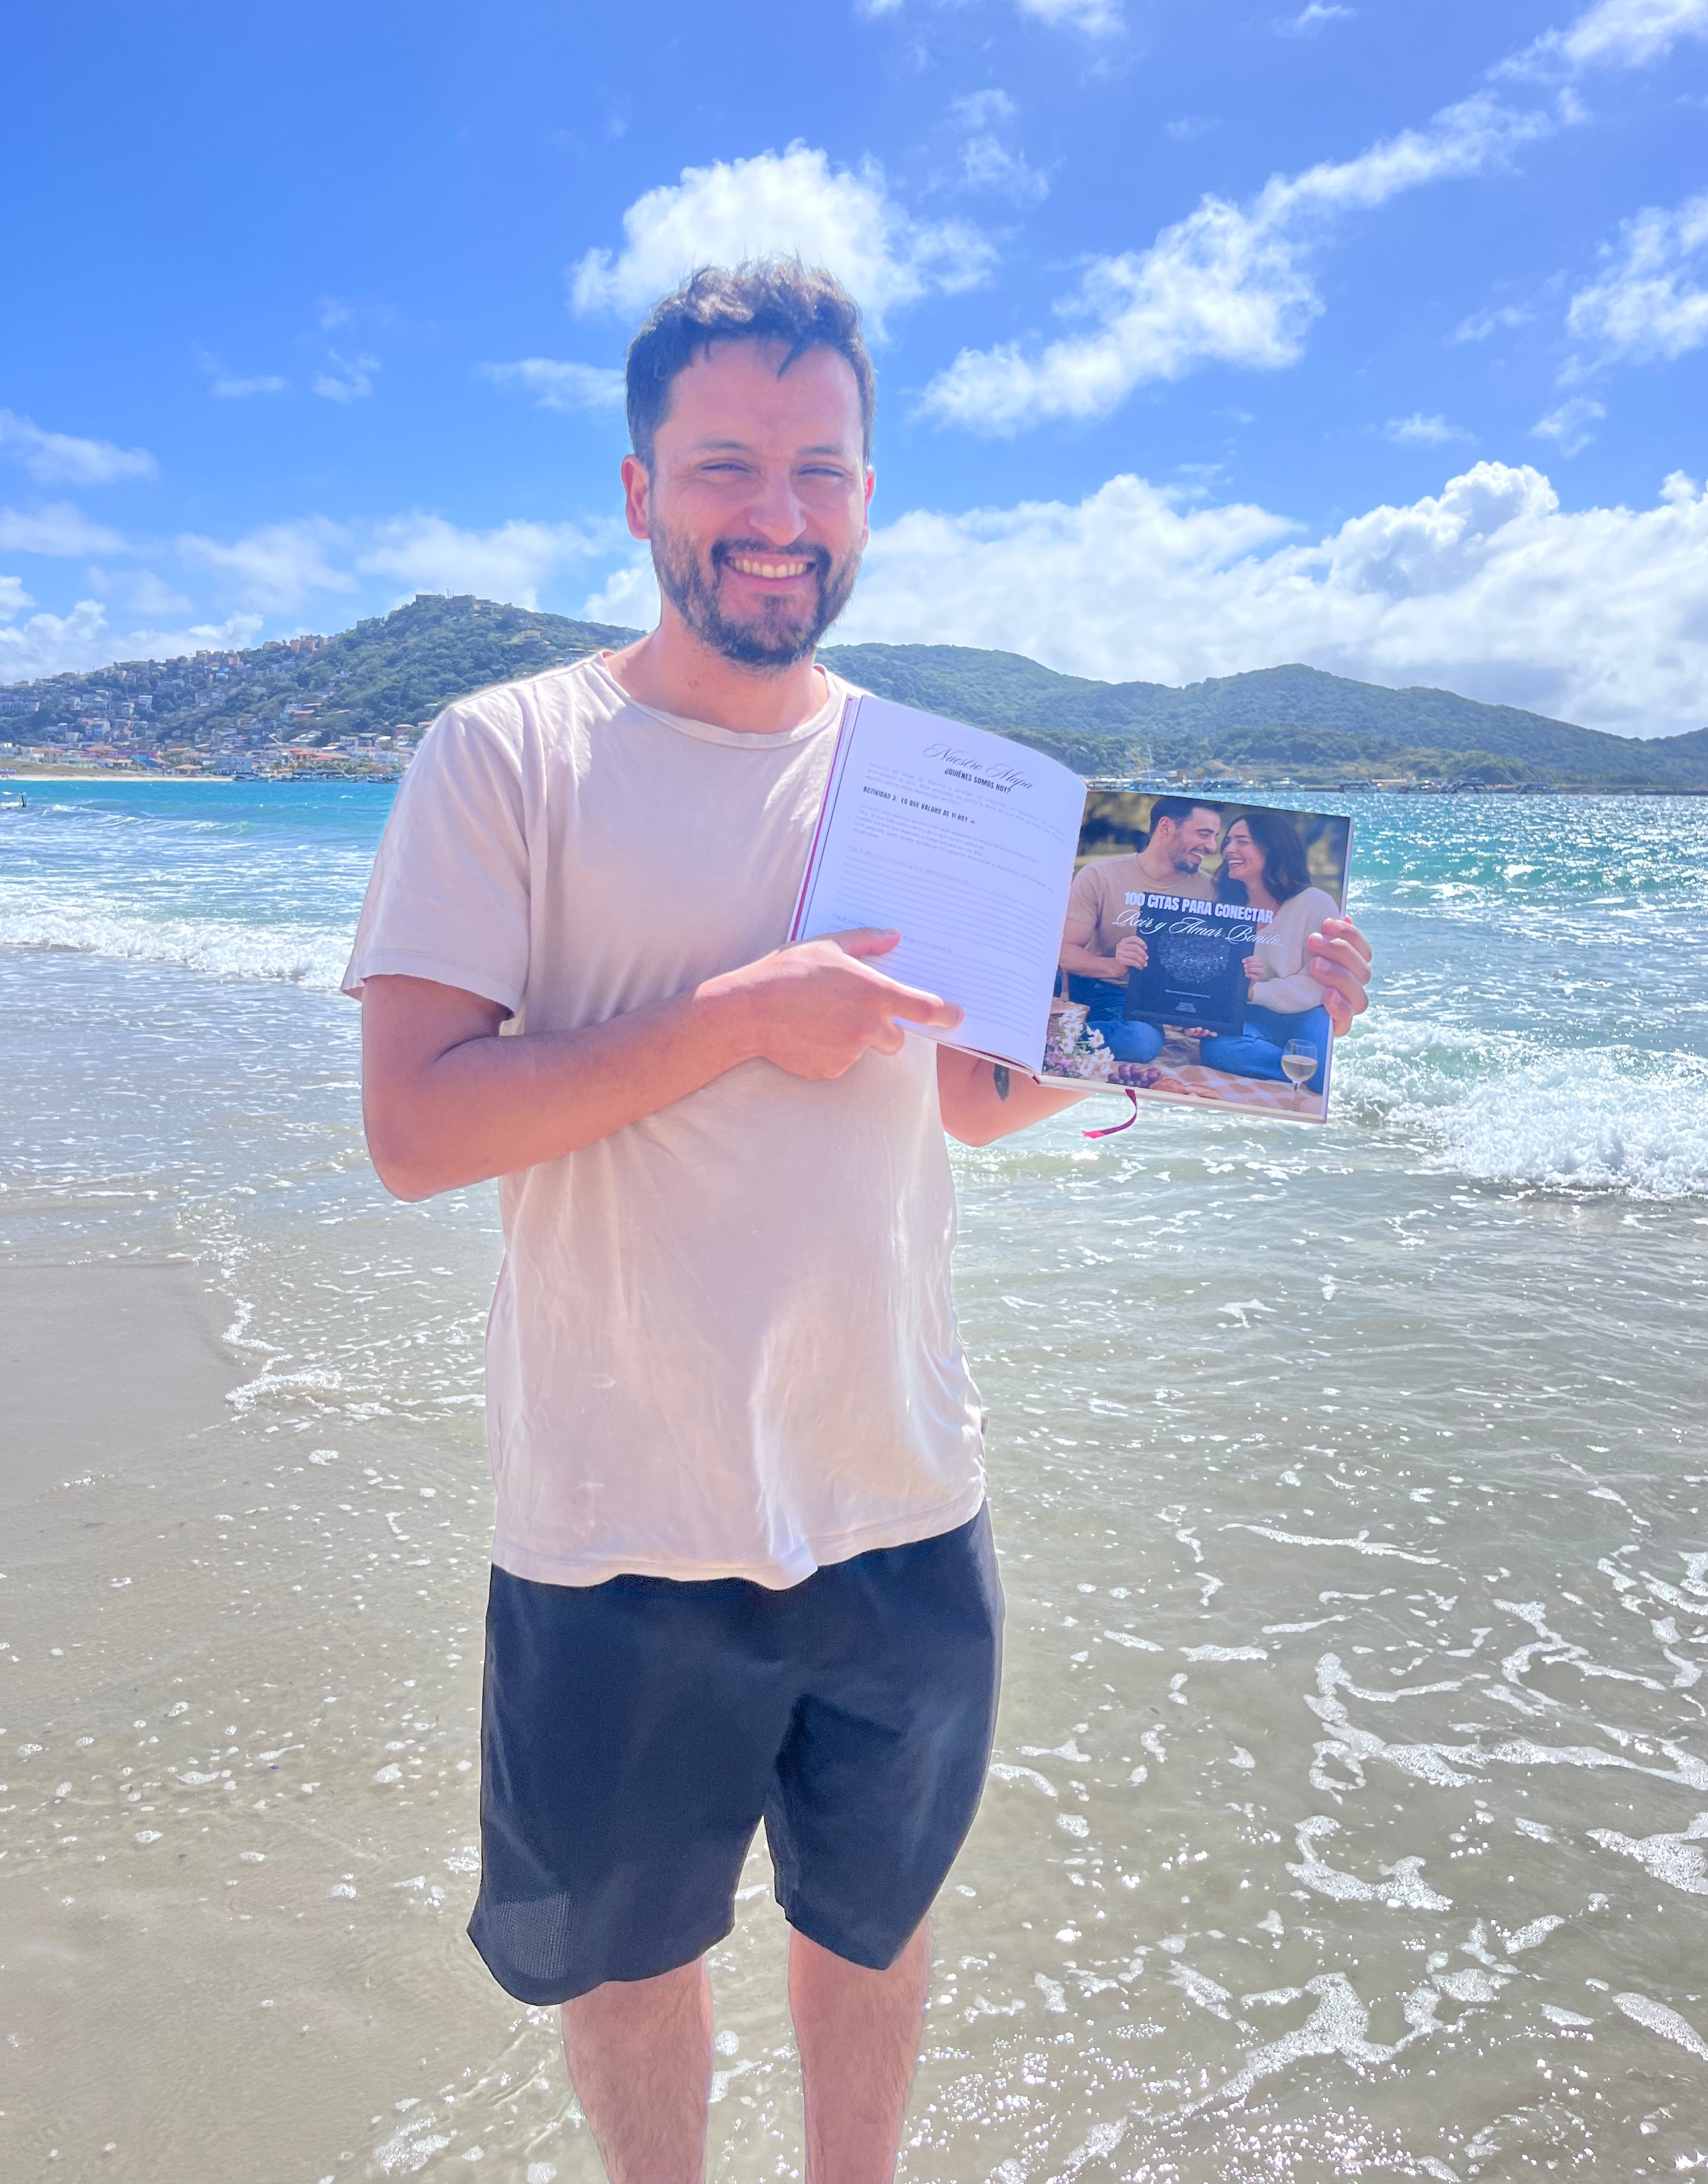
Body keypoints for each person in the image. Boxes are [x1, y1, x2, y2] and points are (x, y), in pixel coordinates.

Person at [344, 260, 1376, 2184]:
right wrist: (742, 1018)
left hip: (899, 1493)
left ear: (871, 499)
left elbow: (981, 1100)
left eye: (821, 471)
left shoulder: (950, 787)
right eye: (726, 465)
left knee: (871, 1928)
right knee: (633, 1962)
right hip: (620, 1516)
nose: (777, 514)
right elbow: (415, 1126)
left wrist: (1240, 1019)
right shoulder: (505, 755)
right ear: (639, 486)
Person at [1056, 795, 1228, 1063]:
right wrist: (1114, 965)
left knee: (1141, 1041)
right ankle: (1052, 1037)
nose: (1212, 846)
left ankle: (1058, 1037)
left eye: (1215, 836)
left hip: (1159, 1000)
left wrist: (1195, 1015)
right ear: (1166, 827)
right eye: (1204, 834)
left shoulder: (1209, 891)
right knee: (1140, 1041)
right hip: (1101, 987)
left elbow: (1204, 968)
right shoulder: (1100, 875)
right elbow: (1063, 952)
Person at [1197, 810, 1340, 1084]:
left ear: (1272, 847)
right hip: (1247, 1016)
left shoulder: (1315, 903)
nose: (1228, 849)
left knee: (1320, 1072)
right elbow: (1212, 974)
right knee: (1218, 1049)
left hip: (1307, 1012)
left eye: (1242, 841)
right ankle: (1299, 1070)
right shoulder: (1224, 905)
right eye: (1228, 841)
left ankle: (1306, 1071)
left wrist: (1252, 991)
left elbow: (1320, 982)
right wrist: (1205, 1015)